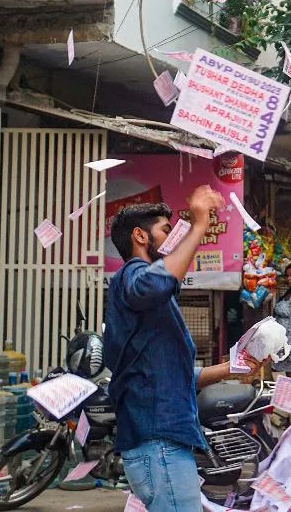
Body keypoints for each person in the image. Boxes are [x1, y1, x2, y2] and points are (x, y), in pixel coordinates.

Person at [104, 192, 258, 512]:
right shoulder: (131, 277)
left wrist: (233, 368)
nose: (171, 237)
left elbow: (178, 376)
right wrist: (200, 225)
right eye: (164, 229)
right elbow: (155, 283)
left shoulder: (153, 301)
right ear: (140, 236)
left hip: (163, 444)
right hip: (159, 444)